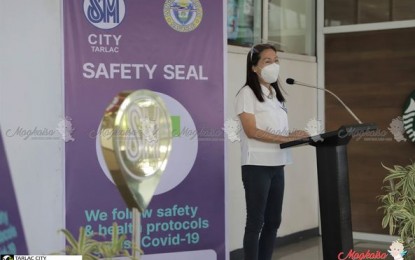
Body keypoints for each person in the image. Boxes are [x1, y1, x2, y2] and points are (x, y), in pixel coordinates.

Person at [234, 43, 309, 260]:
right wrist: (285, 138)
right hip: (257, 165)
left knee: (274, 221)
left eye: (276, 60)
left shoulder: (275, 94)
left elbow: (276, 130)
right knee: (255, 222)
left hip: (278, 163)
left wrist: (293, 135)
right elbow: (251, 131)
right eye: (267, 61)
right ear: (254, 67)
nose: (274, 65)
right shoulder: (246, 93)